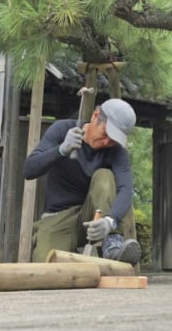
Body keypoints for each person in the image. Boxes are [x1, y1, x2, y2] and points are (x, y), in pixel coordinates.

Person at [23, 97, 141, 265]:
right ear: (95, 115)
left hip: (95, 216)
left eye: (113, 139)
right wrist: (61, 150)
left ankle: (112, 245)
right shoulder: (62, 130)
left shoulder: (116, 152)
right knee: (47, 268)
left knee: (105, 176)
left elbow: (126, 189)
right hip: (58, 217)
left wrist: (110, 221)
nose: (107, 142)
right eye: (105, 133)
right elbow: (29, 170)